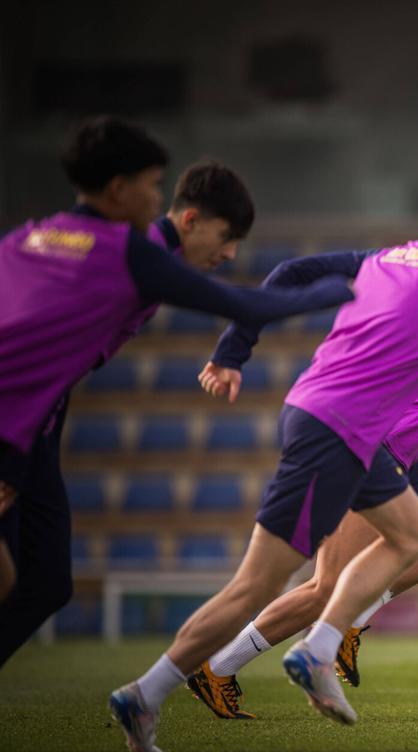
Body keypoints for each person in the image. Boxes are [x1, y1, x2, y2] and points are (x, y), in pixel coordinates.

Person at [109, 169, 418, 752]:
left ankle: (321, 641)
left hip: (350, 427)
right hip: (355, 434)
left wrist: (234, 350)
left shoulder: (403, 255)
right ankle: (217, 669)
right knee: (295, 586)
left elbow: (290, 274)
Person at [0, 119, 350, 668]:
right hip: (13, 431)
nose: (231, 253)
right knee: (23, 581)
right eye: (151, 184)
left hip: (33, 429)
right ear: (122, 190)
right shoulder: (128, 253)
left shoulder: (31, 235)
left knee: (44, 583)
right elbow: (250, 306)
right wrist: (351, 284)